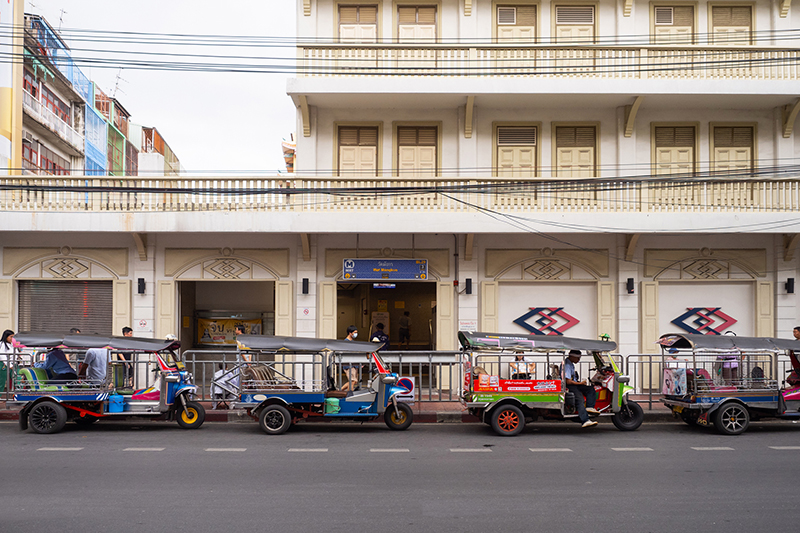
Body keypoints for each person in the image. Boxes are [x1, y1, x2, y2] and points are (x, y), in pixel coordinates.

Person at [564, 349, 599, 428]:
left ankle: (590, 407)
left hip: (575, 384)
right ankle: (585, 420)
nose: (579, 360)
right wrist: (580, 383)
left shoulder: (571, 364)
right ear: (572, 356)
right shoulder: (567, 365)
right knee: (580, 400)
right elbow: (568, 381)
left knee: (590, 389)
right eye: (578, 358)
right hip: (570, 386)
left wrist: (580, 383)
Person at [341, 325, 360, 391]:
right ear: (350, 333)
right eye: (355, 332)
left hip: (354, 365)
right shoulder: (346, 342)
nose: (356, 334)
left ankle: (339, 391)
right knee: (352, 381)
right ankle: (349, 395)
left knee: (354, 381)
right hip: (349, 365)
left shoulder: (352, 342)